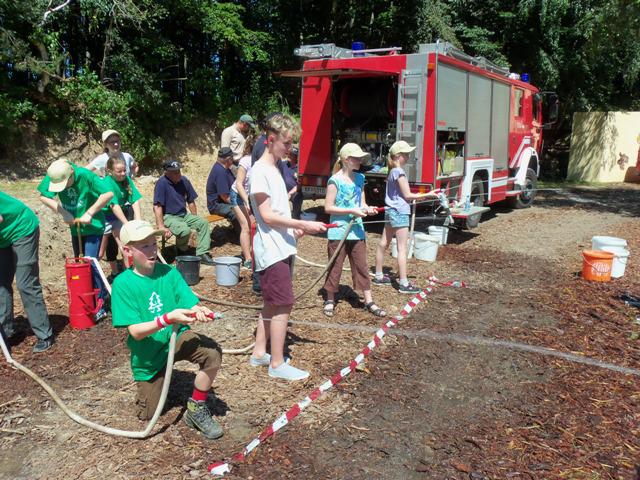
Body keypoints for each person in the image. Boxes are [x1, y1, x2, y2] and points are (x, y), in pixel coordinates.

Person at [111, 220, 223, 439]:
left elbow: (189, 302)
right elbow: (135, 332)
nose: (152, 250)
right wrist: (167, 318)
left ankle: (196, 409)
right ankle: (159, 377)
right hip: (148, 355)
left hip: (176, 337)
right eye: (144, 246)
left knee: (212, 353)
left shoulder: (169, 273)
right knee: (148, 414)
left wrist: (199, 311)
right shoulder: (123, 284)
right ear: (127, 250)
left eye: (154, 244)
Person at [249, 113, 326, 381]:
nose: (290, 148)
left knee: (272, 303)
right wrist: (301, 223)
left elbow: (277, 214)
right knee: (283, 304)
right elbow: (267, 216)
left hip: (280, 245)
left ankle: (260, 353)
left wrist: (293, 230)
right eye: (287, 143)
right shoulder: (260, 171)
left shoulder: (276, 168)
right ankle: (277, 363)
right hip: (271, 249)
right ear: (270, 140)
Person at [38, 159, 113, 322]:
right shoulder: (55, 174)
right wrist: (63, 212)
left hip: (93, 226)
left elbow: (108, 194)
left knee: (90, 263)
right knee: (80, 264)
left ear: (71, 173)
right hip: (76, 228)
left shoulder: (85, 175)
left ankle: (100, 301)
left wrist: (90, 213)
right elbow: (44, 196)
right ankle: (85, 298)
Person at [322, 144, 386, 318]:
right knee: (335, 266)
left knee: (361, 266)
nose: (360, 160)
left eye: (360, 158)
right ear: (346, 160)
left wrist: (367, 208)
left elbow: (361, 203)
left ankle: (369, 300)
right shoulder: (334, 180)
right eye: (356, 158)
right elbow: (328, 207)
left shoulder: (360, 178)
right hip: (339, 231)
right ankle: (329, 299)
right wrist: (351, 211)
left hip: (357, 230)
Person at [373, 141, 436, 293]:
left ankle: (379, 275)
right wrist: (428, 194)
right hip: (400, 212)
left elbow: (401, 194)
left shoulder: (392, 172)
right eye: (406, 154)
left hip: (390, 211)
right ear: (398, 156)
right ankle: (403, 283)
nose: (408, 157)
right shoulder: (399, 172)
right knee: (402, 248)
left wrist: (420, 196)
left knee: (383, 243)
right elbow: (407, 195)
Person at [0, 192, 54, 353]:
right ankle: (6, 332)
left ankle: (45, 334)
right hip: (3, 237)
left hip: (21, 227)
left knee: (26, 283)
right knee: (1, 283)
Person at [153, 159, 214, 266]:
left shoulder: (184, 180)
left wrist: (195, 217)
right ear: (167, 173)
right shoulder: (161, 183)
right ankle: (181, 251)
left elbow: (191, 201)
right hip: (169, 216)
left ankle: (202, 253)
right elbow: (157, 206)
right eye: (175, 172)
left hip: (184, 215)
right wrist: (161, 226)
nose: (178, 174)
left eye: (179, 171)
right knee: (185, 230)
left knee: (203, 223)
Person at [100, 156, 142, 279]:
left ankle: (128, 272)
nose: (123, 174)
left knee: (125, 244)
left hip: (119, 214)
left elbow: (134, 199)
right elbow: (114, 205)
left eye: (124, 170)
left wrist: (138, 219)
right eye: (119, 171)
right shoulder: (106, 183)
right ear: (110, 171)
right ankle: (113, 272)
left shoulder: (126, 179)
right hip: (105, 217)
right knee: (105, 248)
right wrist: (126, 223)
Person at [232, 136, 255, 269]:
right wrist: (247, 201)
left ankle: (253, 253)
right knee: (246, 226)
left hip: (251, 196)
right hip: (238, 195)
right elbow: (239, 184)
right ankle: (247, 259)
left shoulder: (262, 161)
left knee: (254, 226)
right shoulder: (246, 161)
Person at [205, 147, 237, 225]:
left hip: (224, 202)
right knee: (237, 211)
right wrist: (238, 204)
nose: (233, 160)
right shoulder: (220, 172)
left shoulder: (225, 168)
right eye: (232, 158)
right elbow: (225, 197)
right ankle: (242, 231)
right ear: (228, 159)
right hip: (216, 205)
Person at [281, 146, 303, 220]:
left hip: (293, 192)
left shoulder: (299, 168)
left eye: (291, 154)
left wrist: (290, 193)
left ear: (296, 157)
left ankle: (295, 217)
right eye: (289, 154)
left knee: (298, 196)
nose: (289, 156)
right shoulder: (283, 164)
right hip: (282, 191)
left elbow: (299, 185)